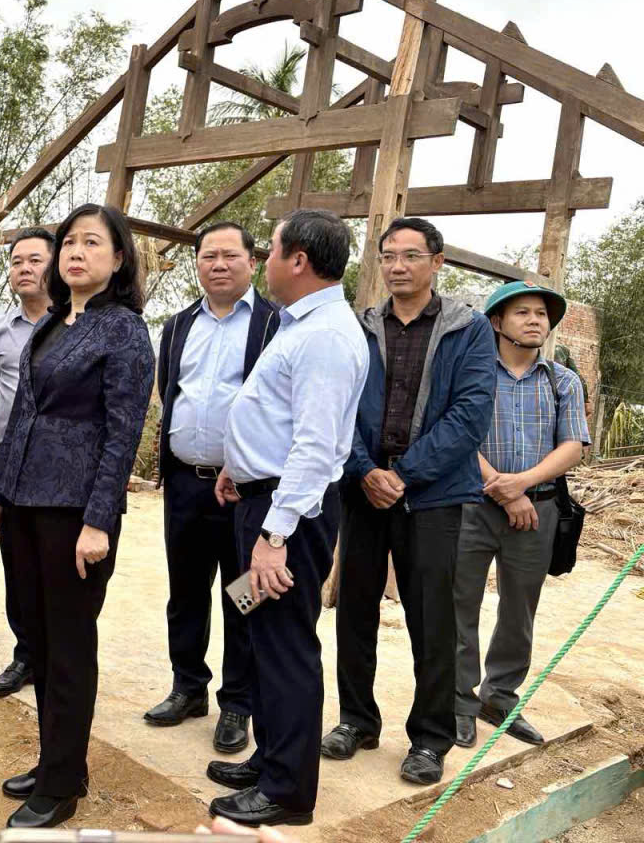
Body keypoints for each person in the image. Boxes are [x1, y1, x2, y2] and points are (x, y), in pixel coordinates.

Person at [0, 203, 154, 830]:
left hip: (75, 510)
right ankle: (59, 761)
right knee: (38, 637)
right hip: (25, 501)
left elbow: (123, 432)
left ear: (119, 257)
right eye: (70, 242)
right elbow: (22, 413)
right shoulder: (53, 322)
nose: (76, 252)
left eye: (92, 242)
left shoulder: (124, 330)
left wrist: (99, 520)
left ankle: (60, 787)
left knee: (70, 644)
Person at [209, 209, 368, 828]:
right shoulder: (301, 322)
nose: (263, 262)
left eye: (270, 250)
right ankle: (272, 757)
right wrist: (238, 467)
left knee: (286, 645)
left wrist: (274, 535)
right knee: (258, 629)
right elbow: (277, 418)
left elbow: (314, 445)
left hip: (288, 517)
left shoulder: (325, 335)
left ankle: (287, 791)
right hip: (262, 500)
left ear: (298, 260)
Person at [323, 217, 495, 785]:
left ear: (437, 262)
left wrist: (404, 475)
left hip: (433, 495)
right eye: (389, 256)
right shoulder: (360, 325)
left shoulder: (467, 329)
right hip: (363, 491)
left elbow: (470, 414)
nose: (398, 266)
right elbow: (339, 406)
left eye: (411, 255)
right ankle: (356, 719)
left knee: (432, 619)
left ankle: (429, 737)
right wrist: (365, 470)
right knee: (355, 609)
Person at [145, 221, 280, 756]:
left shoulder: (274, 324)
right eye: (208, 256)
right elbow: (169, 390)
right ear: (197, 263)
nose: (218, 265)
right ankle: (188, 687)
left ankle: (238, 703)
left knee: (243, 595)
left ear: (252, 262)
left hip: (247, 492)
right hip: (185, 484)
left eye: (229, 255)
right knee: (186, 590)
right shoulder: (178, 325)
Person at [454, 281, 590, 749]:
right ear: (496, 322)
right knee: (459, 604)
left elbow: (572, 446)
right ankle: (459, 701)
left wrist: (523, 485)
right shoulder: (472, 374)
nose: (535, 320)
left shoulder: (561, 381)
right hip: (473, 505)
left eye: (541, 314)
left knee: (519, 610)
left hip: (538, 510)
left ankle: (499, 698)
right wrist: (504, 488)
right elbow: (458, 433)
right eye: (522, 312)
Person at [0, 227, 54, 698]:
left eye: (34, 260)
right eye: (16, 262)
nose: (24, 269)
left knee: (55, 562)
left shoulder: (78, 324)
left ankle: (55, 657)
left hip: (59, 463)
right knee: (17, 562)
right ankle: (25, 655)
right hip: (10, 456)